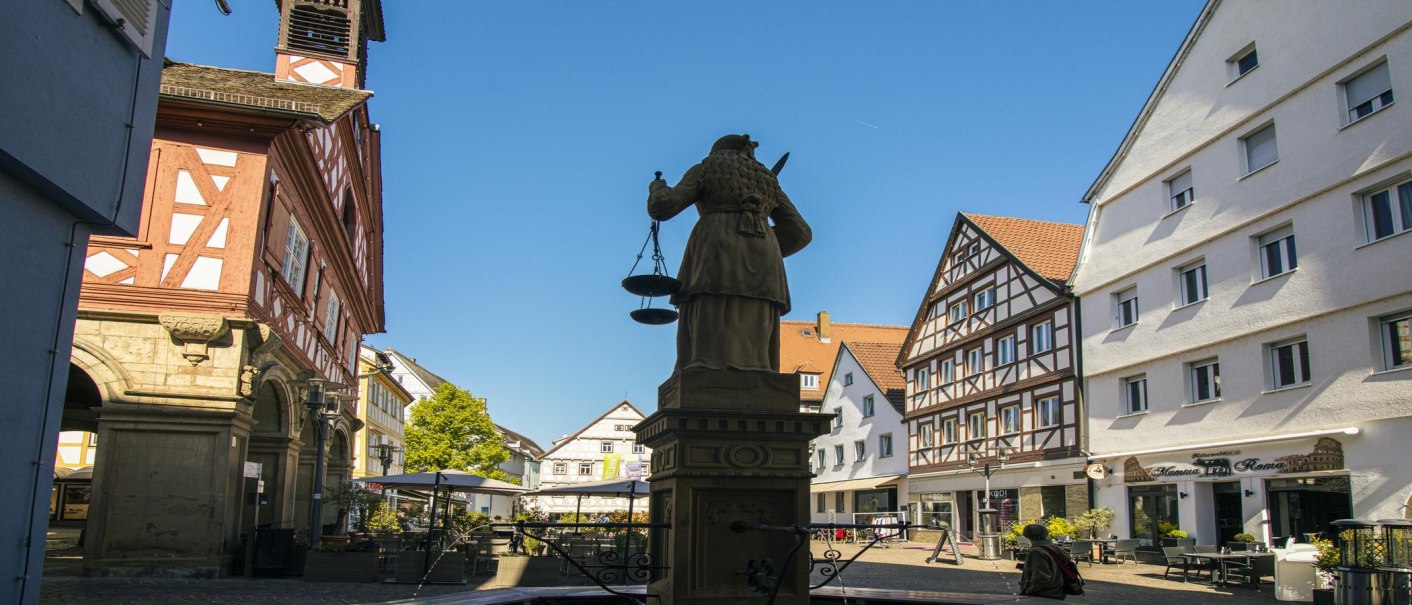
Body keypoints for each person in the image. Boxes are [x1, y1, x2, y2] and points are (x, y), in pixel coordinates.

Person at [648, 134, 811, 374]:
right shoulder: (768, 181)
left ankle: (702, 370)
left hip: (715, 247)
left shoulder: (706, 169)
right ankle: (759, 372)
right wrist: (766, 247)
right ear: (747, 152)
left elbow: (663, 207)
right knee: (755, 318)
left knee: (710, 307)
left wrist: (657, 188)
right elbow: (800, 232)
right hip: (763, 254)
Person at [1019, 523, 1079, 599]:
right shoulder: (1055, 548)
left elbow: (1041, 577)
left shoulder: (1036, 551)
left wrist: (1028, 591)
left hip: (1043, 594)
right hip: (1058, 591)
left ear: (1027, 536)